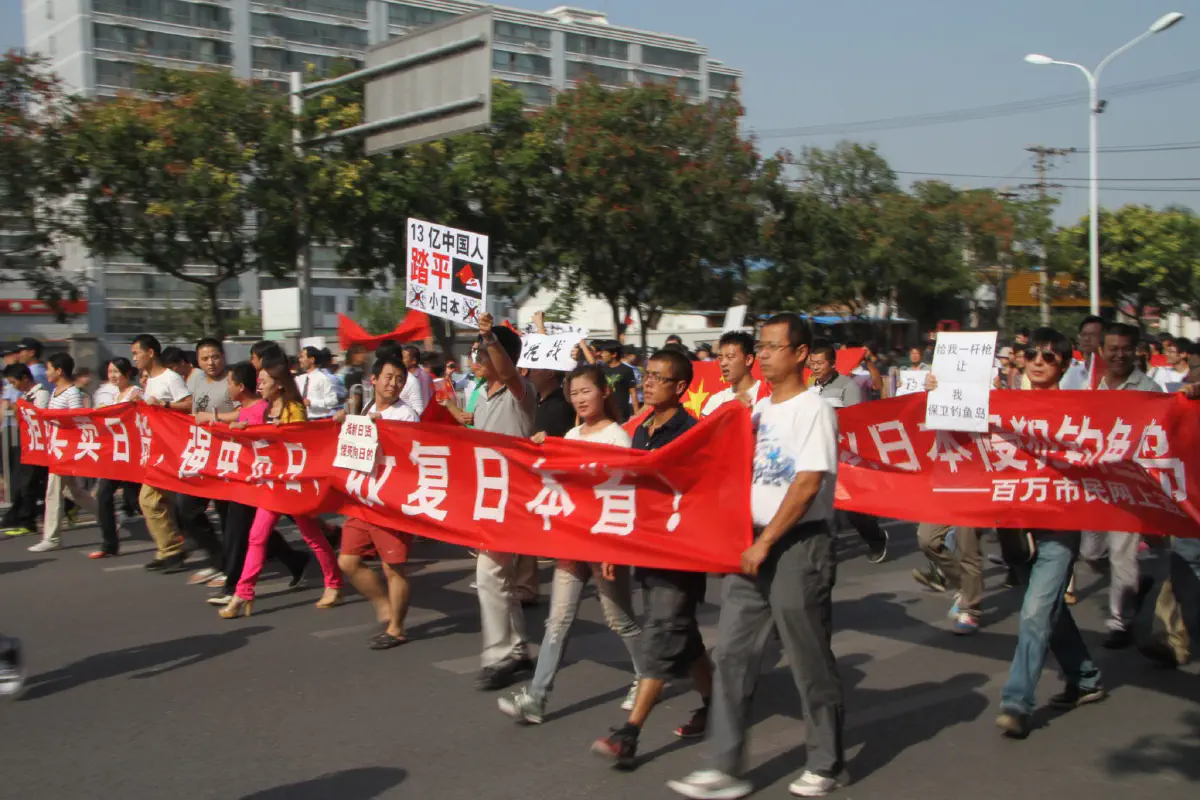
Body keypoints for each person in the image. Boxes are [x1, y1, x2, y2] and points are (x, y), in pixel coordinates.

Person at [668, 312, 846, 799]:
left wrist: (766, 542)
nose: (762, 354)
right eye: (760, 346)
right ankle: (725, 766)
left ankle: (826, 763)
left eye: (772, 346)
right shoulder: (759, 411)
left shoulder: (815, 409)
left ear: (801, 354)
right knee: (731, 655)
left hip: (797, 547)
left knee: (808, 656)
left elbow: (808, 482)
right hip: (749, 547)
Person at [498, 363, 647, 724]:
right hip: (571, 542)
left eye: (586, 391)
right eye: (574, 392)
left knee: (620, 618)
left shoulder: (616, 438)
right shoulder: (571, 434)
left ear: (604, 393)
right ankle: (536, 698)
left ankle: (647, 677)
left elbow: (622, 497)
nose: (580, 399)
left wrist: (612, 549)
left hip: (604, 542)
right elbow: (557, 479)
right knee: (558, 621)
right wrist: (541, 449)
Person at [592, 348, 713, 769]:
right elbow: (630, 494)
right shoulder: (641, 431)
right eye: (647, 375)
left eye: (658, 377)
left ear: (680, 387)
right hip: (646, 551)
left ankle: (630, 732)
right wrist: (614, 546)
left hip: (681, 556)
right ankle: (718, 703)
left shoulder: (693, 433)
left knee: (661, 633)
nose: (647, 382)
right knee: (686, 637)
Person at [997, 326, 1104, 740]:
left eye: (1049, 356)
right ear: (1020, 359)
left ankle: (1016, 702)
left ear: (1064, 363)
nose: (1039, 362)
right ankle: (1086, 677)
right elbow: (956, 428)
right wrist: (939, 390)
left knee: (1034, 612)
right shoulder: (1001, 404)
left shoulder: (1080, 409)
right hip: (1015, 527)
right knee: (1047, 609)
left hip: (1060, 525)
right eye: (1031, 355)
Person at [218, 359, 343, 618]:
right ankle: (243, 594)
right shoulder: (263, 409)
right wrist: (245, 430)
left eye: (264, 381)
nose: (259, 385)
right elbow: (258, 437)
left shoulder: (294, 408)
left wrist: (278, 432)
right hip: (272, 484)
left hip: (295, 484)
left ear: (278, 384)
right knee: (256, 536)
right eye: (259, 381)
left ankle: (333, 582)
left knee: (312, 536)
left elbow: (301, 439)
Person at [201, 361, 308, 608]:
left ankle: (234, 587)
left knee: (239, 530)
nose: (226, 386)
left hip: (265, 480)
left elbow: (272, 436)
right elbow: (234, 420)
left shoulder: (265, 409)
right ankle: (294, 561)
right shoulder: (248, 409)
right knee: (255, 533)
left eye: (229, 382)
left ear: (240, 386)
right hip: (245, 478)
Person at [472, 313, 538, 691]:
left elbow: (510, 375)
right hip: (487, 498)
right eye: (479, 351)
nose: (478, 358)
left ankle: (498, 656)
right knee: (499, 579)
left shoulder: (521, 393)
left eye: (484, 352)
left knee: (489, 575)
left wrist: (491, 338)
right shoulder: (482, 399)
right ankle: (518, 649)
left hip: (514, 499)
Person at [1086, 323, 1163, 649]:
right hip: (1095, 487)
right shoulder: (1094, 391)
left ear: (1136, 351)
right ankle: (1132, 586)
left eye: (1126, 348)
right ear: (1101, 351)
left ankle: (1120, 622)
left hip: (1132, 488)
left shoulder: (1149, 390)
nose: (1119, 355)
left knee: (1122, 554)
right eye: (1113, 349)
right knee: (1090, 552)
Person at [336, 355, 421, 650]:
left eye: (400, 379)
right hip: (364, 497)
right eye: (388, 377)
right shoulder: (367, 408)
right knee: (347, 560)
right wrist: (347, 423)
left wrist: (378, 425)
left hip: (391, 501)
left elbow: (411, 449)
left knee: (393, 567)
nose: (394, 384)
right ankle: (384, 607)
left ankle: (397, 628)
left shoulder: (406, 414)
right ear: (373, 379)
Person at [807, 342, 888, 563]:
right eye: (812, 362)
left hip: (844, 455)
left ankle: (876, 539)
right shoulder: (809, 386)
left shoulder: (848, 386)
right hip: (817, 453)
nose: (815, 367)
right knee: (821, 504)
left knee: (854, 509)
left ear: (832, 364)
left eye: (820, 363)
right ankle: (825, 552)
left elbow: (856, 421)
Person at [174, 338, 238, 584]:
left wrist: (214, 417)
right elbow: (193, 418)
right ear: (197, 361)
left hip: (229, 458)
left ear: (223, 356)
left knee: (228, 517)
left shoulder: (232, 381)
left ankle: (230, 567)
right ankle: (218, 559)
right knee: (186, 508)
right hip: (203, 457)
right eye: (205, 358)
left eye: (215, 356)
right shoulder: (199, 383)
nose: (211, 362)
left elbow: (246, 412)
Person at [132, 334, 193, 571]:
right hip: (155, 449)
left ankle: (172, 549)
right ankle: (169, 549)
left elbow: (188, 404)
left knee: (149, 500)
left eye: (136, 352)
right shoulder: (150, 381)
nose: (134, 358)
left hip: (171, 450)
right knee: (161, 501)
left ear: (150, 353)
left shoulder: (171, 378)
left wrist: (164, 405)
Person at [29, 353, 101, 553]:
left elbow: (77, 421)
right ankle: (106, 517)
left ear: (59, 371)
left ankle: (51, 538)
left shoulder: (72, 393)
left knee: (53, 492)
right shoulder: (55, 392)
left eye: (49, 368)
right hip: (56, 448)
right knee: (73, 492)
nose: (46, 372)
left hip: (66, 451)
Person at [89, 358, 143, 559]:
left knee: (139, 501)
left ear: (127, 373)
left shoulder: (136, 393)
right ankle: (109, 544)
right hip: (116, 454)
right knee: (103, 496)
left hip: (133, 454)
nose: (112, 376)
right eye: (110, 371)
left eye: (116, 372)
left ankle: (176, 532)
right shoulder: (114, 394)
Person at [0, 364, 50, 537]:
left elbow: (38, 416)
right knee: (30, 485)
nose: (14, 386)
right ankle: (18, 517)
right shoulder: (25, 395)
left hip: (40, 446)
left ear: (25, 378)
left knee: (29, 485)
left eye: (14, 382)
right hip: (29, 445)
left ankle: (27, 522)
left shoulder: (41, 394)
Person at [701, 331, 759, 417]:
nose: (723, 363)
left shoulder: (765, 394)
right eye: (720, 358)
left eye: (730, 357)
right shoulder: (716, 400)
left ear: (748, 360)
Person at [598, 340, 639, 422]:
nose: (601, 354)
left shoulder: (627, 370)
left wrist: (637, 415)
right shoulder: (600, 370)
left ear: (614, 354)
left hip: (621, 414)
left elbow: (633, 393)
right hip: (604, 414)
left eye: (604, 352)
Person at [295, 345, 339, 420]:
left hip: (317, 420)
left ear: (312, 359)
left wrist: (312, 403)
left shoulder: (322, 378)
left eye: (302, 357)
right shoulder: (299, 379)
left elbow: (333, 401)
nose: (299, 360)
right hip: (301, 420)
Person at [401, 345, 433, 416]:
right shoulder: (404, 375)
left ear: (413, 361)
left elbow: (426, 402)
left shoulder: (423, 377)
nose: (401, 360)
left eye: (404, 358)